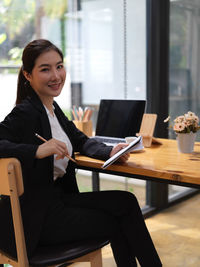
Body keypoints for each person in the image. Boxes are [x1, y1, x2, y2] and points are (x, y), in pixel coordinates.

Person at [0, 39, 162, 267]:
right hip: (38, 219)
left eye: (59, 66)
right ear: (28, 75)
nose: (56, 76)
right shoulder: (25, 112)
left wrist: (110, 151)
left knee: (126, 201)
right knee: (117, 220)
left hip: (60, 200)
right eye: (45, 69)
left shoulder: (52, 108)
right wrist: (36, 150)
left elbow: (80, 140)